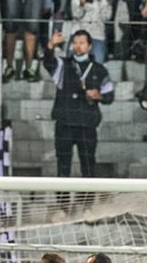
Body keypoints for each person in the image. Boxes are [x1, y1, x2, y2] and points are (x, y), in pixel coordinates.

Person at [44, 29, 116, 178]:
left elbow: (109, 96)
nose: (78, 46)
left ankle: (87, 200)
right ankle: (62, 201)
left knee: (88, 164)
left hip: (87, 123)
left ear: (89, 46)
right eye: (75, 43)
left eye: (82, 43)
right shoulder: (63, 65)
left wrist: (99, 96)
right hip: (65, 122)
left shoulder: (99, 69)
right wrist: (50, 45)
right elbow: (48, 62)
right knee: (63, 164)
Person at [70, 0, 113, 64]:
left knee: (98, 64)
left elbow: (106, 17)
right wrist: (81, 5)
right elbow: (76, 14)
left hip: (97, 35)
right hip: (80, 33)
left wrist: (103, 0)